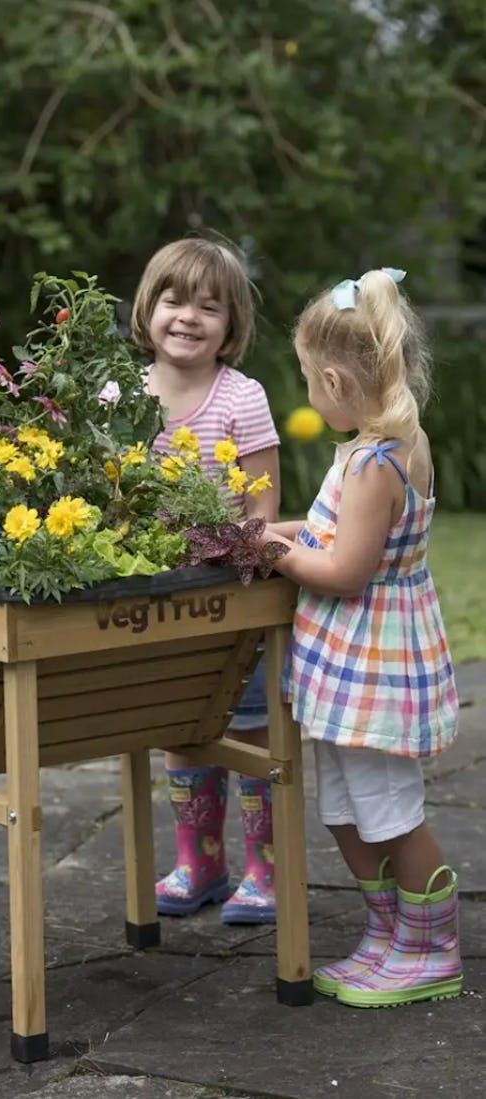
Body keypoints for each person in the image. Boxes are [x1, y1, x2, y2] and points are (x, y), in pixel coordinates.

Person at [260, 267, 461, 1007]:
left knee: (388, 810)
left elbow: (344, 568)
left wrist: (274, 553)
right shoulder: (366, 447)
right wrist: (276, 531)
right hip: (345, 663)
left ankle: (433, 947)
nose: (309, 392)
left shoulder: (381, 460)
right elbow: (326, 532)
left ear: (338, 380)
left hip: (374, 659)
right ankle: (390, 937)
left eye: (311, 378)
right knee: (346, 808)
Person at [131, 238, 281, 923]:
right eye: (173, 299)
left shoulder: (241, 398)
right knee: (182, 726)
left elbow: (262, 510)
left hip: (233, 596)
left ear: (231, 322)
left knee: (250, 727)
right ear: (148, 307)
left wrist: (224, 547)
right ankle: (201, 863)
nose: (188, 317)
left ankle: (266, 869)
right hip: (159, 598)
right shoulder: (128, 396)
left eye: (208, 306)